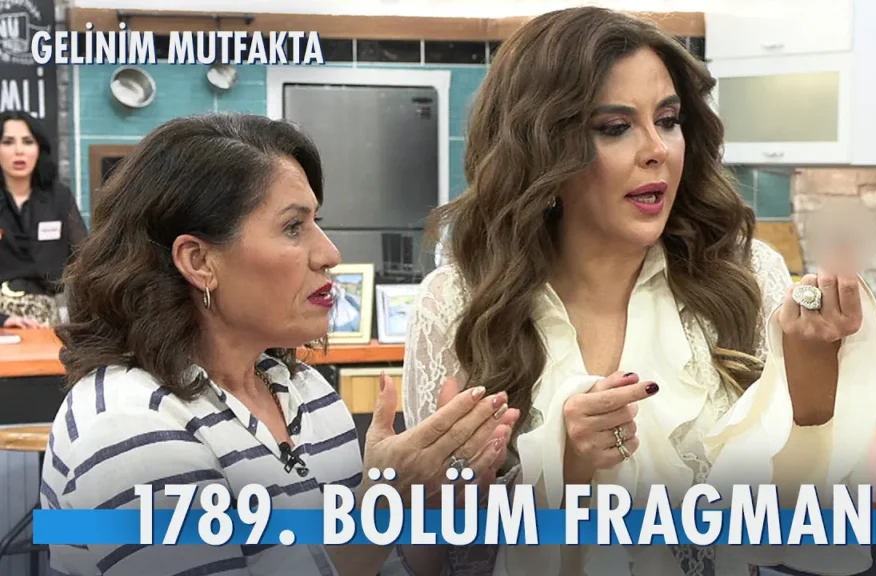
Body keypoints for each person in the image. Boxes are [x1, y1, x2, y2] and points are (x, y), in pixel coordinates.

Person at [401, 7, 876, 576]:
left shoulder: (749, 277)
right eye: (615, 127)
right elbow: (425, 558)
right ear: (541, 148)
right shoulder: (456, 305)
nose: (657, 148)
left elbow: (791, 516)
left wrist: (809, 363)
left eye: (668, 119)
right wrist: (564, 466)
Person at [41, 113, 520, 576]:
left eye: (316, 222)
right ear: (199, 261)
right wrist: (378, 506)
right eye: (293, 227)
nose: (330, 253)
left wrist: (432, 507)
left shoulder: (307, 394)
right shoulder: (126, 418)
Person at [0, 110, 87, 328]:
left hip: (48, 315)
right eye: (8, 142)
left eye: (28, 141)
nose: (19, 151)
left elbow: (85, 259)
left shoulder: (59, 197)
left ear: (39, 147)